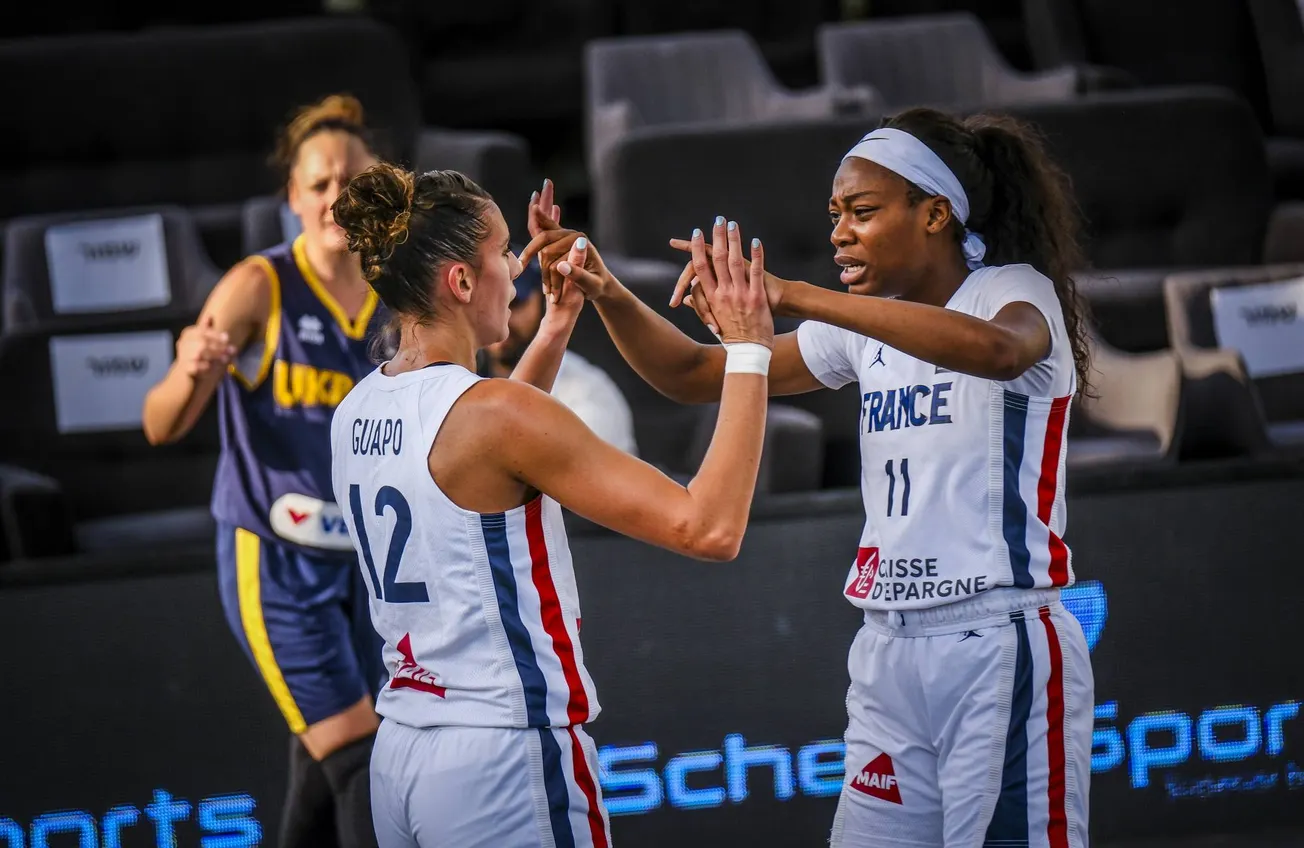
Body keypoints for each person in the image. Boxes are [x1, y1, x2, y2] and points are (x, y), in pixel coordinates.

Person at [544, 108, 1095, 847]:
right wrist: (607, 291)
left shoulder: (1011, 291)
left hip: (998, 637)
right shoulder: (862, 325)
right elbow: (692, 373)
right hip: (888, 647)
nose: (840, 232)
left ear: (935, 214)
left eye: (861, 212)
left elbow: (998, 351)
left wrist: (794, 295)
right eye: (835, 214)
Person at [327, 164, 773, 848]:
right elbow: (709, 528)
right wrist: (748, 351)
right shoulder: (495, 416)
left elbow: (486, 464)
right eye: (505, 251)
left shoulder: (356, 409)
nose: (518, 268)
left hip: (405, 752)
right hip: (502, 752)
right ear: (462, 282)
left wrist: (558, 323)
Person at [142, 94, 388, 848]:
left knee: (330, 762)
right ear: (293, 198)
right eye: (318, 183)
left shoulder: (401, 288)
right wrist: (190, 369)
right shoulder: (259, 285)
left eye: (352, 180)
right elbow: (160, 423)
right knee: (364, 760)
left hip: (376, 564)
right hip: (277, 560)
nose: (336, 196)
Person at [481, 250, 639, 455]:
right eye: (488, 305)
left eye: (515, 303)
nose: (501, 320)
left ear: (543, 301)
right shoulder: (461, 378)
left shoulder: (586, 396)